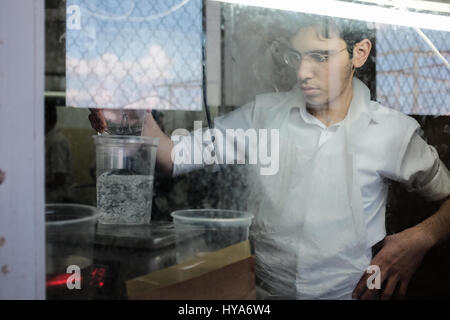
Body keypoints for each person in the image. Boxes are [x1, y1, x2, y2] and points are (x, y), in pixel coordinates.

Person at [89, 14, 450, 300]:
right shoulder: (263, 115)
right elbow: (175, 156)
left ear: (359, 52)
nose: (302, 72)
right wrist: (135, 116)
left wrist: (419, 238)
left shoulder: (391, 131)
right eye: (296, 56)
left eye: (319, 56)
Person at [45, 103, 74, 203]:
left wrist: (37, 184)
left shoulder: (56, 141)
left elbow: (59, 176)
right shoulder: (48, 139)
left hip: (58, 198)